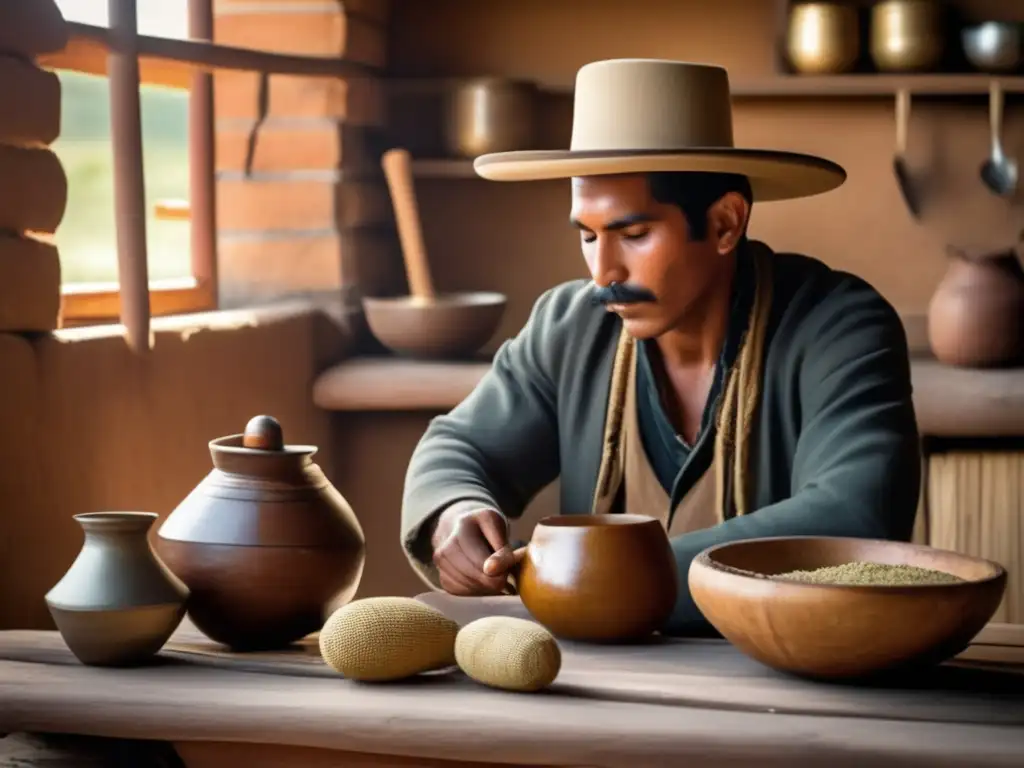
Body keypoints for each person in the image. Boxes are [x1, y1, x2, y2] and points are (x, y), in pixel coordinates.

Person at [399, 59, 921, 635]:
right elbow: (457, 447)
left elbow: (855, 515)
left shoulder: (839, 327)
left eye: (634, 234)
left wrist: (597, 576)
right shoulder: (571, 327)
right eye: (587, 235)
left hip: (794, 677)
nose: (603, 273)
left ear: (725, 223)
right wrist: (455, 514)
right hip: (597, 686)